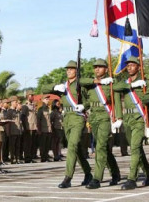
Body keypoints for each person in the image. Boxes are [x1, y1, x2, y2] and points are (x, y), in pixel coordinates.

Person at [42, 60, 92, 188]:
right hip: (67, 119)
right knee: (76, 149)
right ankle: (88, 173)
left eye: (71, 69)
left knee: (72, 146)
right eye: (67, 69)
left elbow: (90, 100)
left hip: (78, 118)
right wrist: (55, 87)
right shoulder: (63, 86)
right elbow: (44, 89)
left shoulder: (81, 84)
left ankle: (68, 177)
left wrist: (83, 106)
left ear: (76, 70)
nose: (68, 71)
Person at [112, 56, 149, 190]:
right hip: (128, 118)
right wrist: (131, 85)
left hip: (140, 118)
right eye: (128, 65)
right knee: (136, 148)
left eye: (132, 65)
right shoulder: (125, 83)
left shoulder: (145, 83)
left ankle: (132, 179)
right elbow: (115, 88)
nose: (129, 67)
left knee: (135, 147)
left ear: (138, 67)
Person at [80, 58, 121, 189]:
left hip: (104, 116)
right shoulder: (91, 83)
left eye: (100, 67)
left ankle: (97, 178)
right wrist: (83, 106)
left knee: (100, 147)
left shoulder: (110, 82)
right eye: (95, 67)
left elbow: (117, 101)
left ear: (106, 69)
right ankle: (115, 173)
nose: (97, 69)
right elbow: (81, 81)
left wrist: (118, 117)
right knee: (102, 147)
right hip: (94, 117)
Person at [20, 90, 38, 163]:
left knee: (32, 143)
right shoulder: (25, 106)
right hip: (28, 127)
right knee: (27, 143)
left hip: (33, 127)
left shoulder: (33, 105)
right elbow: (23, 117)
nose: (32, 97)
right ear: (27, 96)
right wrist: (24, 127)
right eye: (31, 95)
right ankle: (27, 157)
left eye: (33, 95)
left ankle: (31, 157)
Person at [6, 96, 23, 164]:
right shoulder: (9, 111)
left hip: (18, 131)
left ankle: (17, 158)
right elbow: (8, 122)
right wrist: (8, 132)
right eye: (16, 102)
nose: (17, 103)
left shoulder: (17, 111)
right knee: (12, 146)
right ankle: (12, 158)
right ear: (12, 102)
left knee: (18, 146)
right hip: (12, 131)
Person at [37, 95, 53, 162]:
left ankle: (46, 156)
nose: (48, 100)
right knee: (43, 145)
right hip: (43, 129)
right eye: (46, 99)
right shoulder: (41, 109)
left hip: (48, 129)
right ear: (43, 100)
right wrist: (39, 130)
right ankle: (43, 157)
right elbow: (38, 120)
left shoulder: (48, 109)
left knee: (47, 144)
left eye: (48, 99)